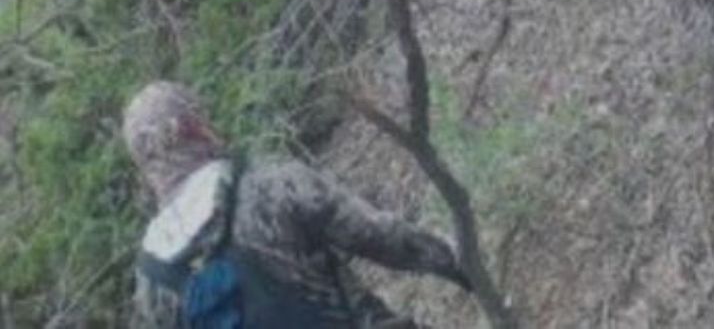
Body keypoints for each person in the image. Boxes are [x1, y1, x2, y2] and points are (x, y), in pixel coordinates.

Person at [123, 81, 471, 328]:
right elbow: (379, 237)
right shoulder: (271, 185)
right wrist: (457, 262)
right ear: (196, 127)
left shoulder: (151, 277)